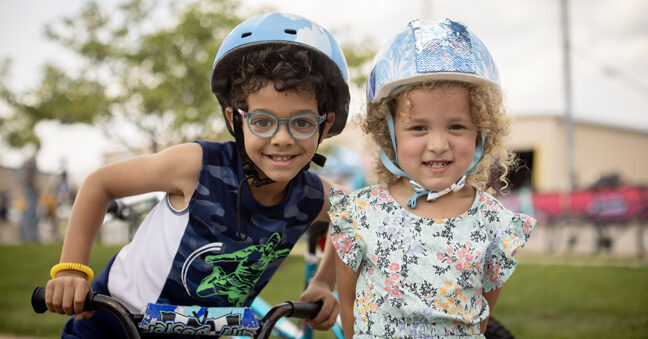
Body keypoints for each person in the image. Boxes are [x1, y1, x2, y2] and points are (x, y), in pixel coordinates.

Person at [43, 12, 350, 338]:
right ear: (235, 120)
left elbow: (351, 217)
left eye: (302, 122)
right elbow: (100, 184)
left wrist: (322, 283)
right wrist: (72, 272)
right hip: (112, 324)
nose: (282, 138)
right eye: (262, 121)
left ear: (324, 125)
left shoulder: (312, 195)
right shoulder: (197, 166)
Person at [330, 18, 536, 338]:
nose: (438, 145)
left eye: (456, 126)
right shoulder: (361, 213)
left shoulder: (493, 223)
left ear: (482, 133)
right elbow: (348, 304)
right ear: (390, 133)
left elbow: (481, 318)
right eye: (418, 127)